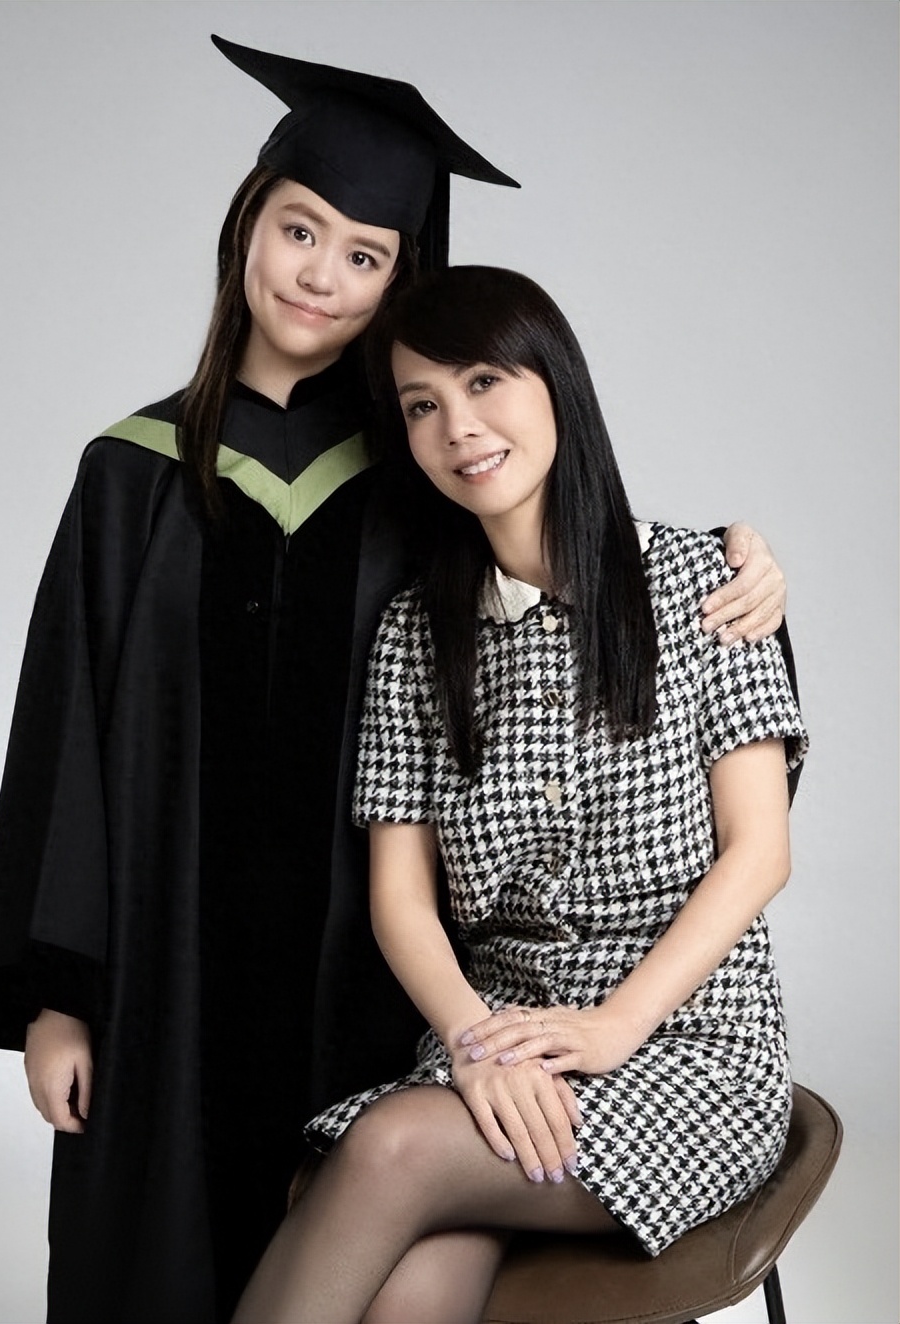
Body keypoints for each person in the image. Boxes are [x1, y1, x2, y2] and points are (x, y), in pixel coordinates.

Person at [0, 37, 792, 1324]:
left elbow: (596, 591)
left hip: (369, 989)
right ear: (247, 226)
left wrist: (750, 572)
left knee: (376, 1195)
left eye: (366, 256)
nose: (321, 276)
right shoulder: (129, 477)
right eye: (300, 231)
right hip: (175, 980)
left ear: (404, 280)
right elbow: (64, 740)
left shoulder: (420, 485)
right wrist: (58, 994)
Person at [229, 265, 807, 1324]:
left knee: (393, 1150)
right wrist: (470, 1041)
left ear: (556, 383)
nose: (458, 426)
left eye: (484, 381)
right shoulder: (416, 635)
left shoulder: (701, 584)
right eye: (421, 405)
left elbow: (758, 851)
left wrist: (614, 1027)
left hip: (685, 1047)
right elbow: (401, 898)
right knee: (412, 1281)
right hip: (494, 1041)